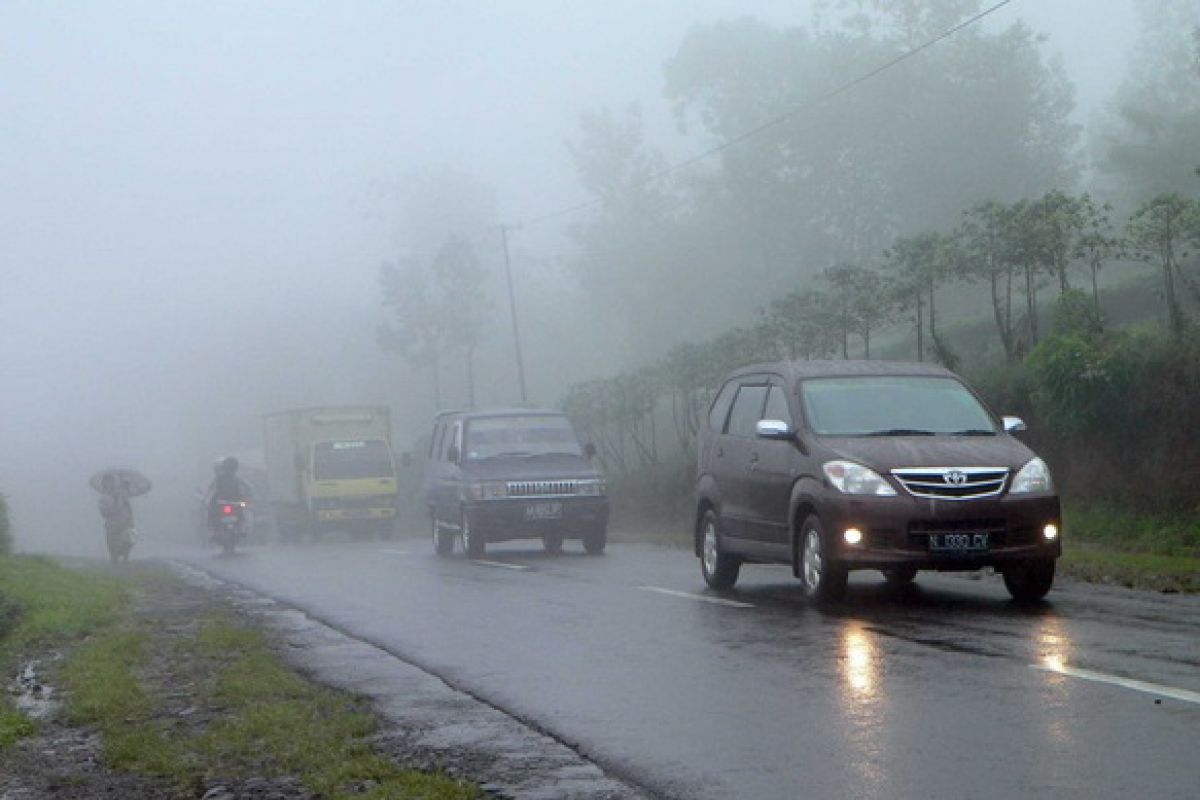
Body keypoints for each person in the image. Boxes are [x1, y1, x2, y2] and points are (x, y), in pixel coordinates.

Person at [206, 456, 253, 529]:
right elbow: (248, 487)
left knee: (244, 507)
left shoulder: (221, 478)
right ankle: (242, 526)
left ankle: (212, 528)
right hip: (230, 502)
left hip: (229, 502)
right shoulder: (234, 479)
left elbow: (210, 489)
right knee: (243, 508)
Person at [98, 474, 135, 563]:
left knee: (128, 541)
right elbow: (104, 513)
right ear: (104, 484)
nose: (110, 484)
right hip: (112, 526)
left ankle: (125, 559)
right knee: (112, 546)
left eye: (112, 482)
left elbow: (128, 509)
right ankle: (114, 561)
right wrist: (116, 506)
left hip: (125, 523)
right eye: (108, 482)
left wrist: (131, 521)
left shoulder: (121, 495)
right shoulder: (103, 498)